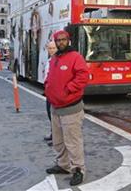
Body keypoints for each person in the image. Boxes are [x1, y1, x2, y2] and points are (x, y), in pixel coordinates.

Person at [45, 30, 89, 186]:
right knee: (58, 141)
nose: (61, 42)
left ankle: (78, 169)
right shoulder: (55, 58)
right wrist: (48, 88)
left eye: (63, 40)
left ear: (68, 41)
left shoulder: (75, 57)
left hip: (71, 107)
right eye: (58, 40)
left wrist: (68, 89)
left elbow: (83, 76)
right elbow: (50, 76)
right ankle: (63, 165)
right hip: (55, 107)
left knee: (73, 142)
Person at [43, 41, 57, 146]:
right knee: (50, 113)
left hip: (55, 93)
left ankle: (56, 138)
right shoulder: (49, 60)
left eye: (53, 48)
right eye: (49, 48)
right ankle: (53, 134)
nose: (51, 50)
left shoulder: (59, 60)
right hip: (49, 92)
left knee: (55, 115)